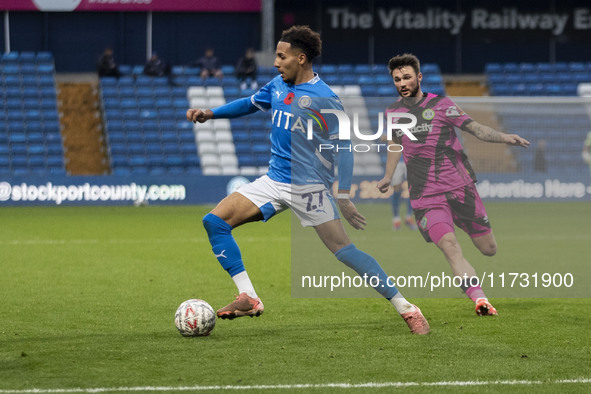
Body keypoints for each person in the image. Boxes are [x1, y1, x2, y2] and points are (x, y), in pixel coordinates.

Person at [187, 26, 429, 335]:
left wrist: (342, 193)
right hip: (274, 180)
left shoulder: (325, 98)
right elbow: (249, 103)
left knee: (344, 251)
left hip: (309, 186)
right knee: (215, 222)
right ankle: (248, 296)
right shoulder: (277, 85)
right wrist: (211, 113)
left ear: (301, 59)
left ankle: (406, 307)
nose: (276, 62)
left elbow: (344, 146)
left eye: (281, 56)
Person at [377, 53, 530, 317]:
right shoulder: (393, 112)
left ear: (419, 77)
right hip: (426, 196)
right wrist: (388, 176)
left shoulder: (442, 104)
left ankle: (465, 227)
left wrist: (505, 137)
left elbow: (475, 128)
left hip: (461, 189)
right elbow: (395, 144)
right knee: (449, 245)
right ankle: (480, 300)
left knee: (488, 249)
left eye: (407, 77)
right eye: (397, 79)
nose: (402, 82)